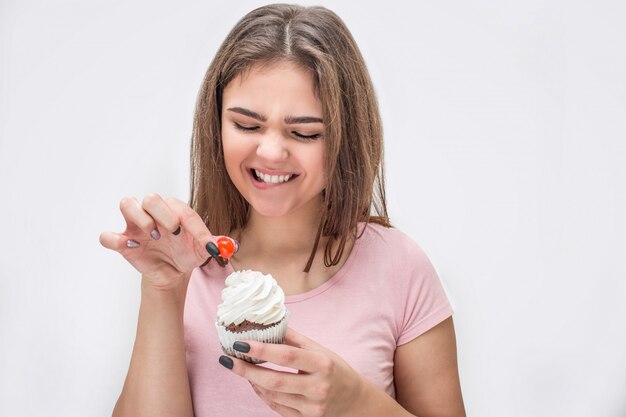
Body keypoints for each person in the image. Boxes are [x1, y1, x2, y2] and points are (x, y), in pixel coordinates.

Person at [100, 4, 466, 417]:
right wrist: (163, 291)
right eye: (247, 126)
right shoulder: (183, 266)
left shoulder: (400, 267)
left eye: (304, 132)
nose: (271, 151)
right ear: (215, 124)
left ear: (346, 136)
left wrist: (356, 403)